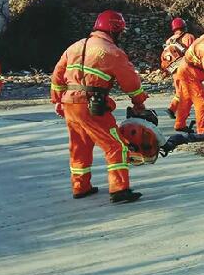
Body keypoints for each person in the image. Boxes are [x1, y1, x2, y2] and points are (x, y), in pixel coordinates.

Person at [50, 10, 148, 203]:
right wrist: (139, 102)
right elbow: (131, 83)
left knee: (79, 147)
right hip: (92, 105)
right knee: (115, 145)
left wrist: (57, 101)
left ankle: (80, 187)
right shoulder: (112, 52)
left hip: (70, 104)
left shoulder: (74, 47)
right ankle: (119, 190)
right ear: (115, 30)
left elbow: (57, 76)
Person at [160, 17, 197, 121]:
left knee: (179, 92)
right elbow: (193, 53)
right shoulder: (189, 37)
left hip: (174, 70)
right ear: (184, 26)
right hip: (185, 69)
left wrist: (165, 71)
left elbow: (165, 57)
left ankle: (172, 109)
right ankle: (182, 115)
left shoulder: (169, 41)